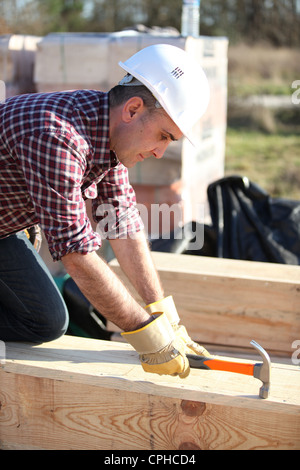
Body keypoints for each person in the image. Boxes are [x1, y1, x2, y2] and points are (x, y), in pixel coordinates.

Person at [0, 44, 210, 378]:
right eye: (162, 136)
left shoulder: (106, 129)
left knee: (45, 321)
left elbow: (122, 220)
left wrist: (162, 314)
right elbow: (76, 253)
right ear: (133, 109)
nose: (160, 152)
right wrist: (148, 337)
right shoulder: (58, 136)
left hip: (4, 229)